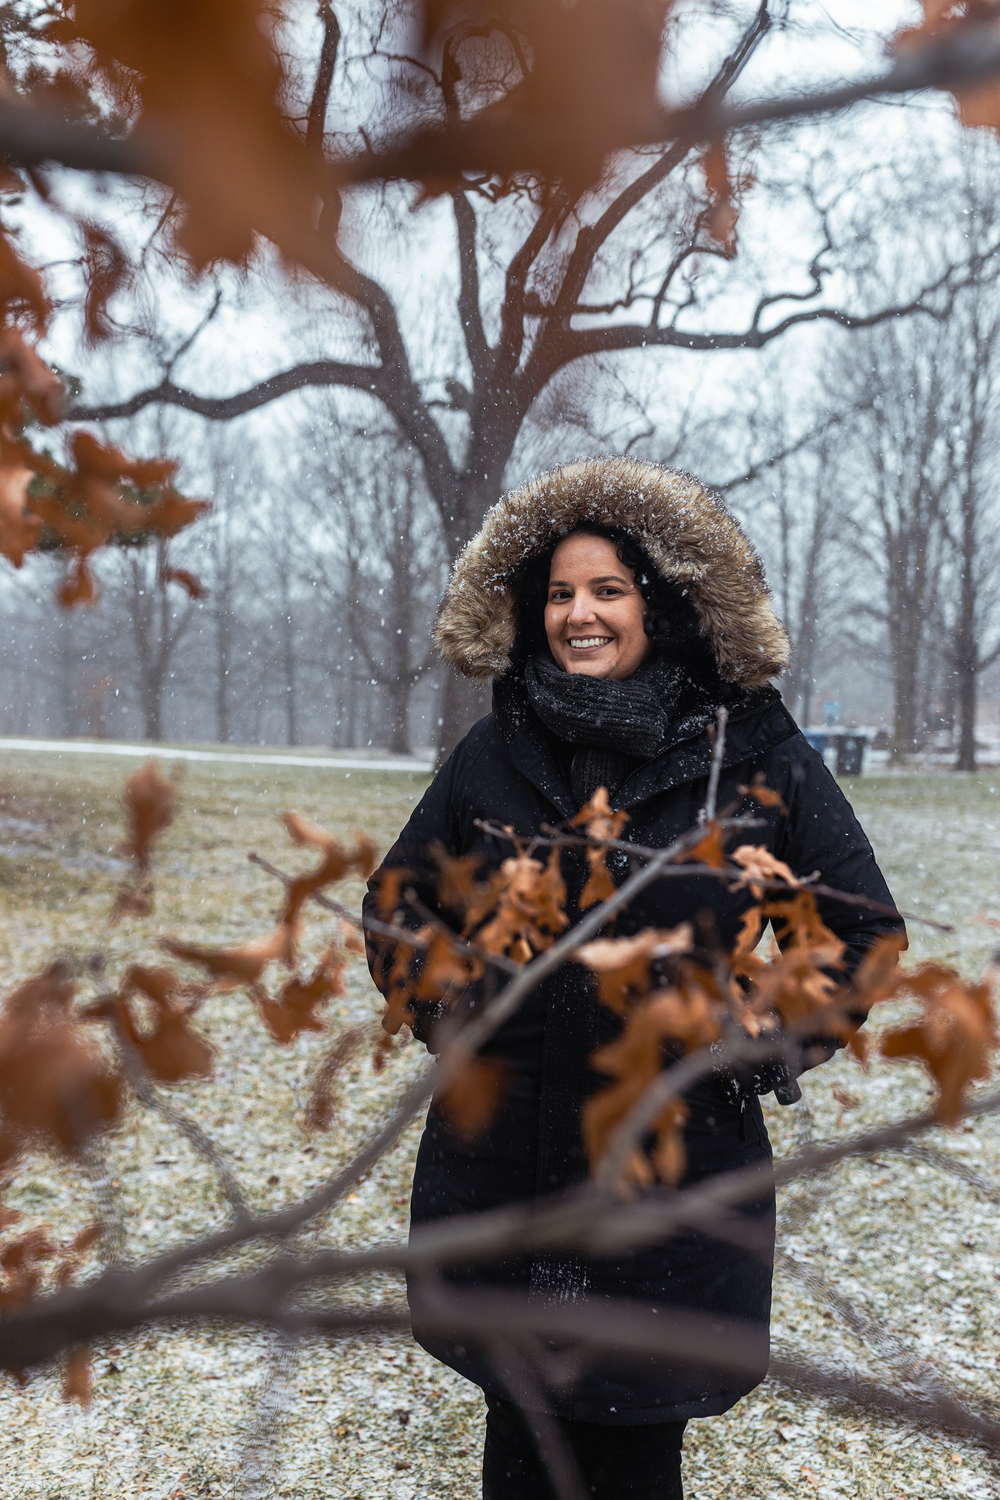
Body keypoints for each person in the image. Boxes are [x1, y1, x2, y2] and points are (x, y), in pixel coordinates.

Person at [363, 458, 903, 1499]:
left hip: (673, 1166)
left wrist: (752, 1036)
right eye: (561, 592)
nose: (580, 615)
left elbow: (856, 927)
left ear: (662, 604)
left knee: (635, 1441)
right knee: (520, 1437)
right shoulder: (496, 745)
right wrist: (451, 1008)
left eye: (608, 590)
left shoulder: (751, 754)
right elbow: (398, 905)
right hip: (502, 1157)